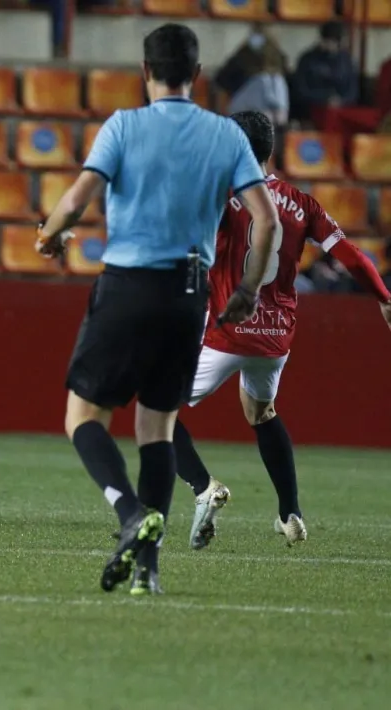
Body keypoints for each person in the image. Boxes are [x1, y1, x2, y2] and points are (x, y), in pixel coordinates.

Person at [35, 24, 280, 595]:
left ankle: (127, 513)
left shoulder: (124, 125)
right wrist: (244, 290)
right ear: (197, 76)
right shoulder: (226, 136)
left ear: (145, 71)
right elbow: (265, 219)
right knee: (158, 429)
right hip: (188, 296)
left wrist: (49, 236)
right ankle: (148, 569)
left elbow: (76, 200)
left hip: (127, 284)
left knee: (83, 417)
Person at [174, 111, 391, 550]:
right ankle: (290, 513)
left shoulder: (221, 197)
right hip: (275, 338)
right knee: (261, 412)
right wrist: (385, 297)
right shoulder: (301, 202)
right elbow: (350, 255)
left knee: (155, 404)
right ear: (271, 150)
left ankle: (203, 488)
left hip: (227, 331)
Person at [292, 21, 358, 126]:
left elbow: (352, 91)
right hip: (311, 112)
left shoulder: (346, 60)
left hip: (342, 112)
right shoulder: (308, 60)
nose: (332, 46)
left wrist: (340, 101)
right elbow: (301, 91)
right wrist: (325, 99)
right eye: (330, 41)